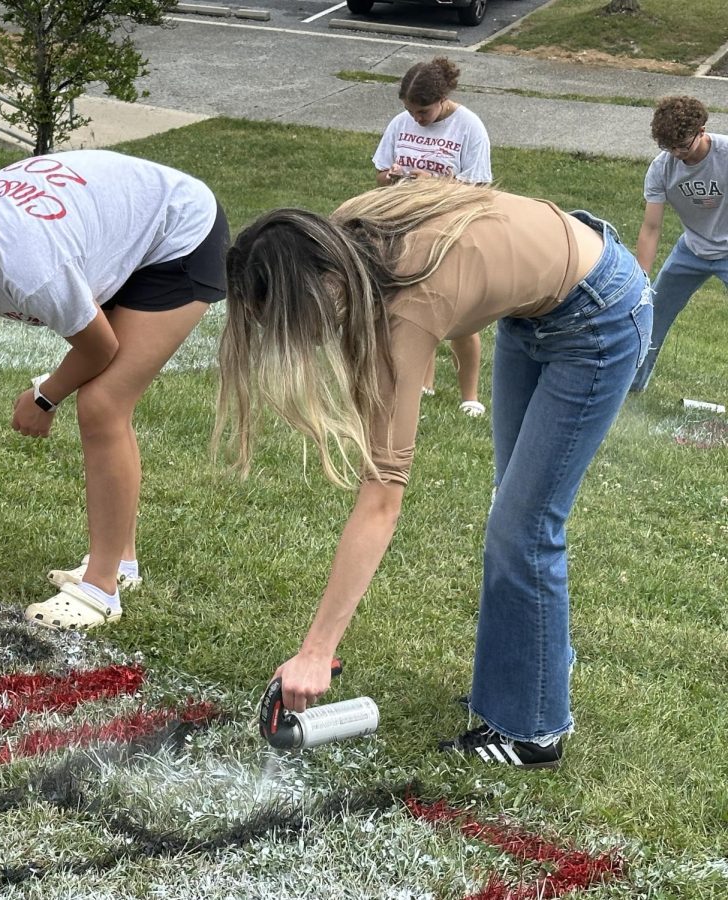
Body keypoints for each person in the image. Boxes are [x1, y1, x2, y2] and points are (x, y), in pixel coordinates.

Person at [216, 179, 651, 768]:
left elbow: (381, 499)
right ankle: (537, 666)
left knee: (524, 526)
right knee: (515, 514)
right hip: (537, 309)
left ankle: (533, 731)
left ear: (324, 284)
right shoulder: (349, 239)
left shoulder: (410, 307)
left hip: (599, 316)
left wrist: (317, 652)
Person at [0, 149, 228, 631]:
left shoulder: (32, 271)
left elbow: (101, 347)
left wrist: (44, 396)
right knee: (103, 402)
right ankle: (120, 562)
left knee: (102, 404)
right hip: (123, 228)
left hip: (180, 235)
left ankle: (101, 590)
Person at [373, 57, 491, 417]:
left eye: (422, 111)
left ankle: (469, 396)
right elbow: (380, 173)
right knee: (410, 307)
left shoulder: (469, 127)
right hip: (405, 227)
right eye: (410, 111)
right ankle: (424, 384)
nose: (416, 119)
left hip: (450, 230)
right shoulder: (400, 123)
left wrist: (433, 184)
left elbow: (481, 189)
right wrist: (393, 176)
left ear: (442, 99)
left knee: (457, 315)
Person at [630, 95, 727, 393]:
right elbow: (651, 227)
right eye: (668, 147)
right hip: (691, 250)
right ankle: (631, 385)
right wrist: (641, 283)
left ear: (702, 130)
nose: (677, 153)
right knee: (650, 314)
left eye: (683, 145)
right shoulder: (662, 168)